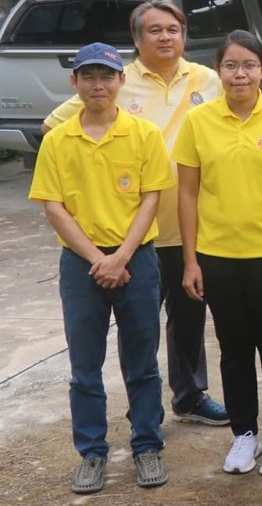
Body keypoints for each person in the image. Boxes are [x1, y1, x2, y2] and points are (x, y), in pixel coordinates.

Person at [41, 1, 228, 429]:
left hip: (191, 226)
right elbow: (56, 129)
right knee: (135, 327)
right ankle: (140, 410)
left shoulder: (208, 80)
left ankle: (190, 395)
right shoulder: (115, 80)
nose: (165, 37)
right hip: (134, 234)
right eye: (155, 30)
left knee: (188, 317)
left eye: (173, 29)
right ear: (137, 40)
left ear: (184, 35)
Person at [33, 43, 173, 494]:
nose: (98, 85)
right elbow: (53, 207)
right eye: (88, 77)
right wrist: (99, 260)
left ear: (120, 81)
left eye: (106, 76)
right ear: (74, 84)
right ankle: (92, 453)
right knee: (85, 366)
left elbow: (151, 197)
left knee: (142, 361)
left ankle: (147, 445)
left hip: (137, 259)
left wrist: (122, 256)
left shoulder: (143, 135)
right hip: (81, 265)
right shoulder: (58, 140)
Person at [177, 31, 262, 478]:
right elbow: (188, 193)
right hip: (218, 257)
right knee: (234, 349)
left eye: (249, 65)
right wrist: (192, 260)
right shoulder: (198, 122)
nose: (240, 74)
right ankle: (243, 434)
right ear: (218, 70)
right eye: (231, 65)